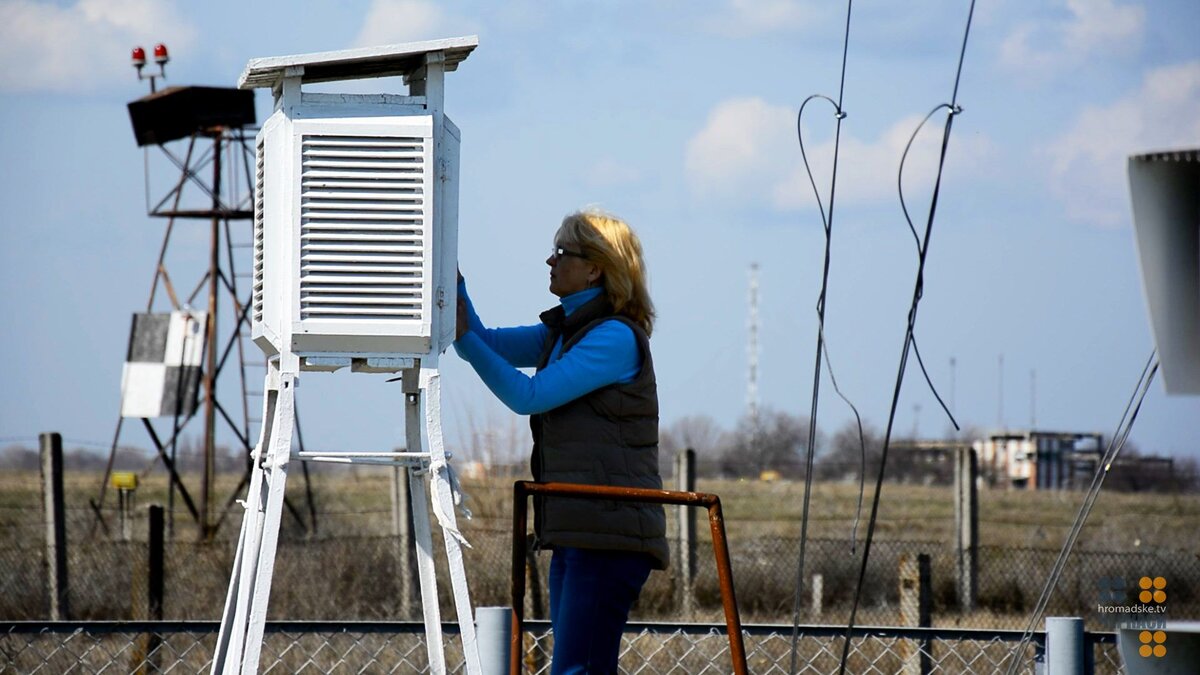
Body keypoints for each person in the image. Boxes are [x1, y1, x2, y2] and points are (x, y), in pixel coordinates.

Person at [454, 208, 668, 674]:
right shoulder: (564, 332)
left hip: (607, 534)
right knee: (573, 668)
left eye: (560, 253)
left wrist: (463, 336)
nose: (549, 263)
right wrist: (454, 287)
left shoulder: (612, 338)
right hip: (579, 528)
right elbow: (486, 341)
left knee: (578, 669)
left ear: (595, 267)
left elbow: (527, 395)